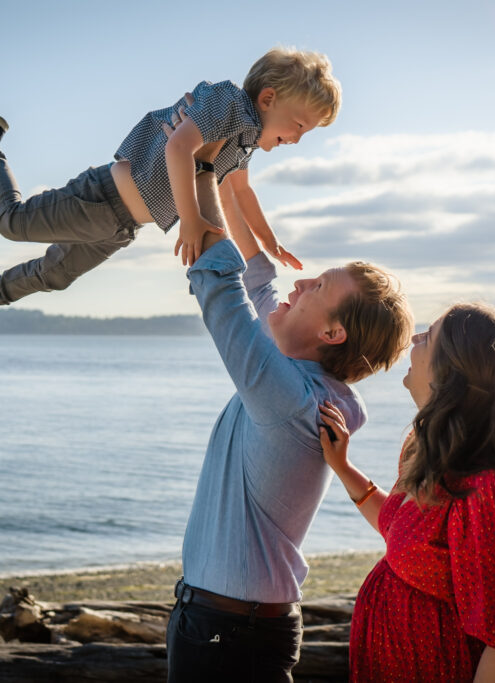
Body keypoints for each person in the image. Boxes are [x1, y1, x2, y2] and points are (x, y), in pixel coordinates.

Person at [165, 172, 414, 682]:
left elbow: (223, 289)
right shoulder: (300, 380)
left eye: (316, 286)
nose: (297, 283)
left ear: (331, 332)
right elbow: (257, 278)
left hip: (227, 631)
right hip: (228, 623)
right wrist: (227, 176)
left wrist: (198, 165)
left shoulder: (289, 398)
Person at [0, 47, 340, 341]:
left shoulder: (245, 139)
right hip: (101, 197)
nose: (298, 139)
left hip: (121, 226)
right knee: (12, 222)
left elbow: (241, 192)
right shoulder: (229, 104)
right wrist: (192, 220)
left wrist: (269, 242)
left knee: (53, 276)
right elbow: (178, 147)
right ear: (268, 98)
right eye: (299, 125)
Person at [318, 303, 495, 682]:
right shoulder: (427, 452)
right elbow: (403, 536)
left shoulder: (490, 491)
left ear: (452, 373)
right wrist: (343, 467)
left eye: (428, 337)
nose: (413, 340)